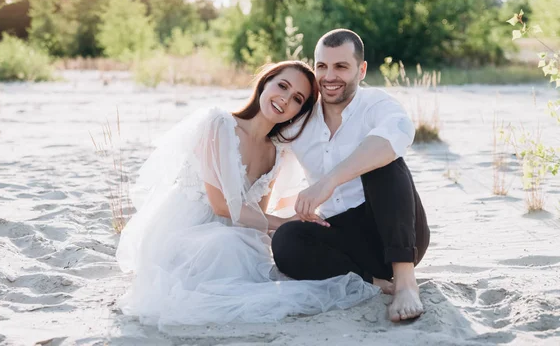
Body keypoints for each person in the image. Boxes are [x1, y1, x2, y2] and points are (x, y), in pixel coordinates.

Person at [115, 60, 379, 328]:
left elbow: (257, 214)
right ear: (265, 82)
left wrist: (297, 227)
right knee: (223, 245)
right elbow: (221, 206)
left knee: (265, 254)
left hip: (236, 234)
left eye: (297, 99)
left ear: (300, 111)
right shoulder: (220, 124)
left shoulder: (277, 153)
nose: (285, 100)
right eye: (282, 86)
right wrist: (284, 222)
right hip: (187, 230)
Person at [271, 29, 430, 322]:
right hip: (345, 240)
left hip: (397, 229)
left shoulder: (376, 104)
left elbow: (399, 132)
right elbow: (260, 142)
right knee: (285, 240)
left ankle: (406, 282)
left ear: (362, 69)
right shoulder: (299, 121)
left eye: (341, 67)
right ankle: (377, 284)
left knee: (383, 160)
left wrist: (328, 181)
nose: (329, 77)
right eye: (322, 66)